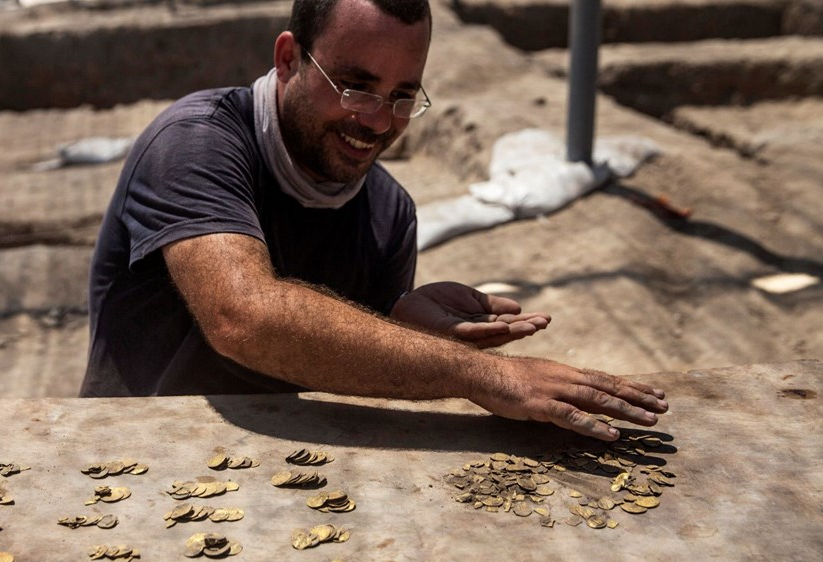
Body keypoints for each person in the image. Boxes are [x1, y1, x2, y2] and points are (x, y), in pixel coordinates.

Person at [80, 0, 668, 441]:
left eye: (402, 95)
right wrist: (488, 376)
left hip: (280, 476)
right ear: (289, 60)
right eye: (355, 86)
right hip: (137, 458)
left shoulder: (389, 213)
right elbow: (245, 317)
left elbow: (347, 356)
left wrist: (399, 322)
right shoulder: (196, 142)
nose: (378, 121)